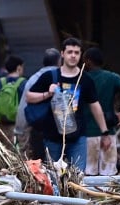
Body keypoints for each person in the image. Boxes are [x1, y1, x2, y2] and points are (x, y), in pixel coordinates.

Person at [24, 38, 113, 171]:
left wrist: (105, 132)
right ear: (62, 54)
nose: (73, 55)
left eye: (76, 53)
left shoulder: (85, 79)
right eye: (70, 52)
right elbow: (29, 97)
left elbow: (95, 105)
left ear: (80, 55)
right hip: (52, 135)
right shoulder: (50, 76)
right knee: (53, 176)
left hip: (78, 136)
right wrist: (47, 94)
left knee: (78, 175)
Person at [83, 47, 120, 176]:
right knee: (108, 176)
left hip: (87, 133)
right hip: (109, 131)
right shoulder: (112, 77)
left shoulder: (82, 79)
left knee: (87, 174)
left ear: (88, 62)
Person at [15, 48, 61, 158]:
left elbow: (23, 107)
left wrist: (20, 130)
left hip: (37, 128)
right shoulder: (62, 76)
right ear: (59, 61)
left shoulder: (33, 78)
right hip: (60, 129)